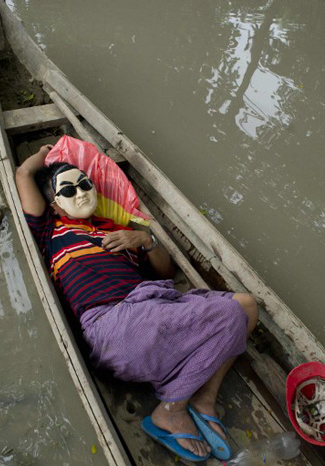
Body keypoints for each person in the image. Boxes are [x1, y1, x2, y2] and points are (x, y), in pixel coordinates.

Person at [15, 142, 258, 461]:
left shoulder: (119, 232)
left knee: (247, 307)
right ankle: (171, 408)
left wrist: (145, 239)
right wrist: (46, 153)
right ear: (57, 206)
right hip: (113, 328)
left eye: (85, 184)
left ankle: (202, 399)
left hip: (151, 312)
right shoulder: (52, 230)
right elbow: (23, 173)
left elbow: (166, 272)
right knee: (229, 314)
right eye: (70, 191)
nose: (82, 193)